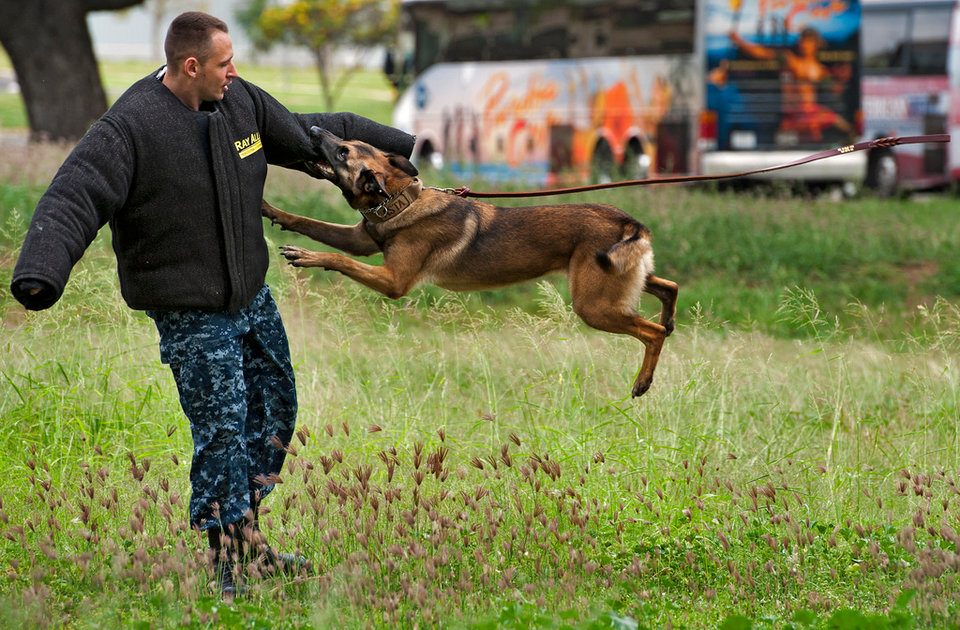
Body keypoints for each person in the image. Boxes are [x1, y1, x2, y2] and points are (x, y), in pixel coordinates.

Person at [9, 11, 415, 598]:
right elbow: (75, 194)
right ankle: (229, 564)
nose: (235, 72)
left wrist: (402, 153)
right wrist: (41, 272)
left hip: (250, 293)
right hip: (189, 309)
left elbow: (309, 135)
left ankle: (246, 539)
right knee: (222, 430)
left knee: (275, 413)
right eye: (225, 63)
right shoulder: (129, 129)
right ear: (190, 65)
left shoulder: (240, 103)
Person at [730, 24, 855, 142]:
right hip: (792, 115)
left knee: (841, 127)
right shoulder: (790, 60)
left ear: (816, 44)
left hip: (811, 114)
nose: (803, 44)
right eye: (802, 40)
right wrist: (740, 42)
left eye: (807, 41)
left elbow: (835, 89)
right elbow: (763, 53)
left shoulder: (819, 69)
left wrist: (842, 79)